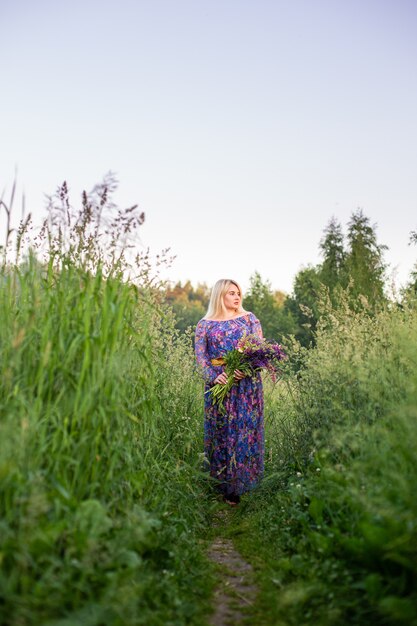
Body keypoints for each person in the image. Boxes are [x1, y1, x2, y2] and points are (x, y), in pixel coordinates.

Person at [194, 278, 264, 506]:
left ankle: (245, 487)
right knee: (221, 433)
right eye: (231, 293)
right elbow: (201, 360)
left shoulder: (249, 319)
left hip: (246, 387)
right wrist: (215, 377)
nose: (237, 297)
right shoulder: (204, 325)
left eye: (238, 293)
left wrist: (246, 369)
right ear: (220, 296)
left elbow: (260, 353)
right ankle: (221, 488)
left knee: (244, 431)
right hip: (218, 386)